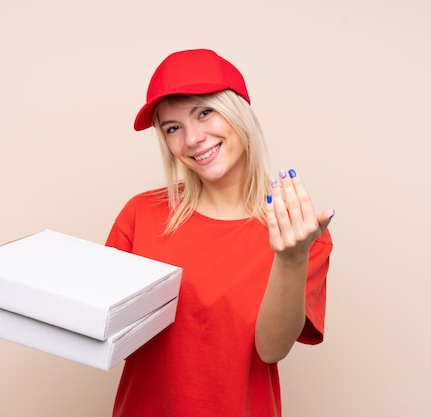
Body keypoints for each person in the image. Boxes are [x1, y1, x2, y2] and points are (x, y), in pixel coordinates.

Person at [105, 49, 334, 417]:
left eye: (204, 112)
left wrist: (291, 258)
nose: (193, 138)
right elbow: (103, 326)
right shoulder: (141, 215)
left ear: (239, 111)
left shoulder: (299, 232)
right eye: (173, 128)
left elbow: (271, 349)